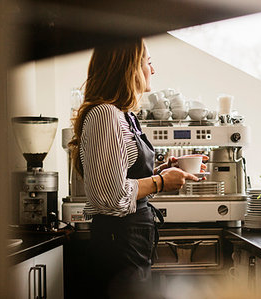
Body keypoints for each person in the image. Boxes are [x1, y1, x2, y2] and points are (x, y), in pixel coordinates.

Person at [68, 39, 206, 299]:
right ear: (129, 67)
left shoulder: (122, 115)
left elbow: (124, 180)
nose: (152, 71)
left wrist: (163, 172)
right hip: (118, 244)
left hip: (130, 241)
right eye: (148, 63)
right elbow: (111, 197)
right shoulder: (104, 115)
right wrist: (161, 182)